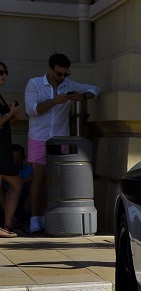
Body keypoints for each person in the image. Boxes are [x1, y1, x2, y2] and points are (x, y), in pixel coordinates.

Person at [24, 53, 101, 235]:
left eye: (66, 74)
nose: (62, 78)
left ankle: (47, 216)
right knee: (39, 179)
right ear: (50, 69)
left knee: (56, 181)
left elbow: (95, 89)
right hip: (39, 137)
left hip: (60, 138)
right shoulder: (34, 84)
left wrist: (82, 97)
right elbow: (32, 110)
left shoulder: (69, 85)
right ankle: (34, 218)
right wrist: (54, 101)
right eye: (59, 74)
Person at [0, 62, 24, 237]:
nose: (4, 75)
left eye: (5, 72)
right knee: (15, 183)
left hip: (3, 147)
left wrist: (11, 117)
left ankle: (7, 225)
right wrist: (9, 114)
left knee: (15, 184)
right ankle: (6, 226)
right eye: (1, 72)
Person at [2, 144, 33, 233]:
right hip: (4, 203)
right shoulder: (5, 170)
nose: (15, 163)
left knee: (34, 185)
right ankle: (9, 216)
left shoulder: (27, 170)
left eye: (18, 160)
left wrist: (21, 181)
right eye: (13, 160)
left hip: (24, 204)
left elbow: (37, 176)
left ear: (24, 158)